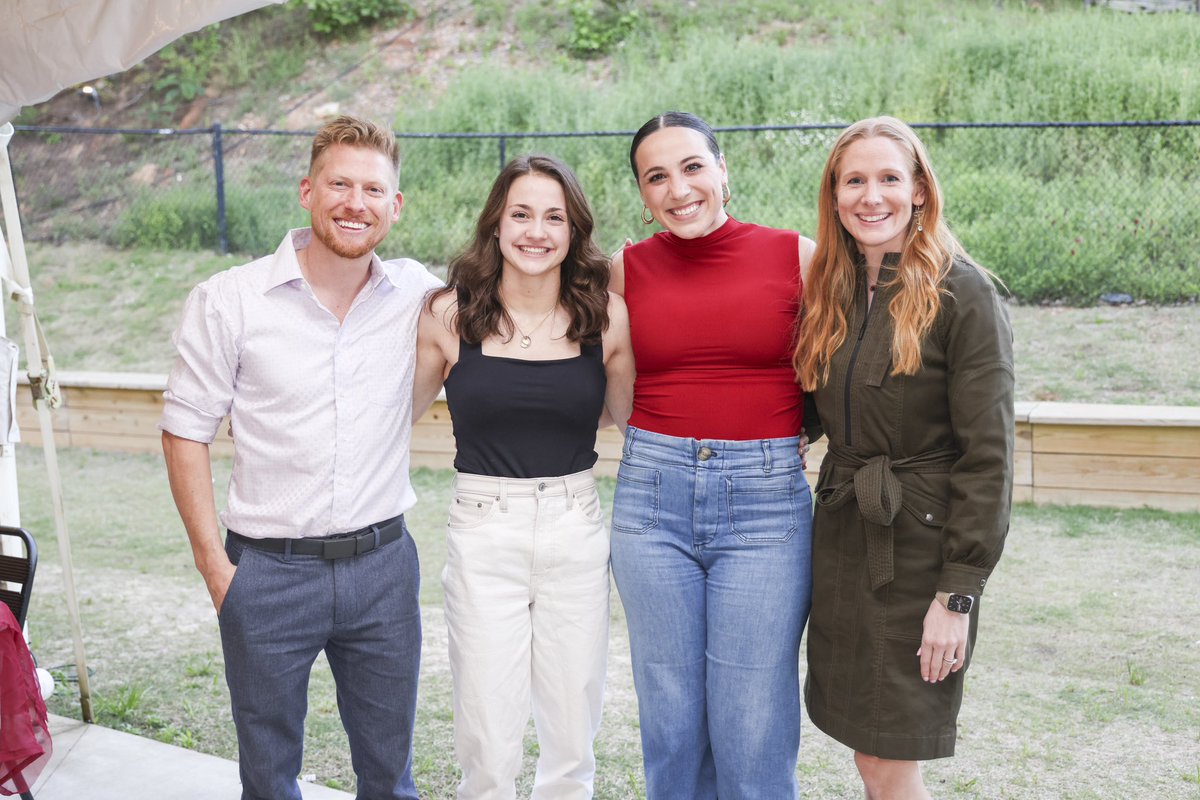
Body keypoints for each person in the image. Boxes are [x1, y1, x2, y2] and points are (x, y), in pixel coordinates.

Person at [160, 115, 440, 800]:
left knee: (389, 774)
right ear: (307, 191)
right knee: (268, 774)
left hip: (383, 568)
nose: (356, 203)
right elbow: (184, 430)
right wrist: (216, 568)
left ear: (395, 206)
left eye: (374, 189)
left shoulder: (419, 295)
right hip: (266, 573)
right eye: (339, 184)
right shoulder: (230, 300)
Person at [792, 116, 1014, 798]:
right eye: (853, 180)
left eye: (889, 178)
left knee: (892, 757)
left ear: (920, 190)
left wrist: (957, 593)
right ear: (834, 197)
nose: (871, 195)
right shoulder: (830, 290)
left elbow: (989, 458)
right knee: (869, 752)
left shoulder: (963, 292)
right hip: (843, 539)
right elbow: (806, 411)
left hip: (918, 552)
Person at [412, 154, 634, 799]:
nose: (536, 231)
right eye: (521, 214)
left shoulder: (608, 318)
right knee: (487, 726)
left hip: (575, 524)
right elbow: (388, 417)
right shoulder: (448, 315)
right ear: (497, 224)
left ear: (573, 232)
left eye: (554, 217)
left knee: (572, 723)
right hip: (484, 530)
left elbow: (641, 428)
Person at [608, 111, 815, 799]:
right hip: (651, 498)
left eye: (692, 167)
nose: (678, 189)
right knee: (669, 715)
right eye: (656, 176)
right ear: (642, 193)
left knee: (752, 715)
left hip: (765, 504)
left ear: (723, 170)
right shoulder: (623, 271)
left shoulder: (798, 256)